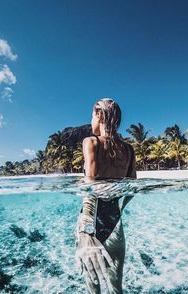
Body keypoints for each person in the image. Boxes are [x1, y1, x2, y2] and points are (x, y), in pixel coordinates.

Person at [75, 98, 137, 294]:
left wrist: (86, 232)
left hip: (91, 222)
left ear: (100, 115)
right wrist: (118, 208)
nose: (91, 120)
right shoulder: (128, 150)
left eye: (92, 115)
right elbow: (132, 189)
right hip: (115, 222)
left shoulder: (91, 142)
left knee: (93, 285)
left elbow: (91, 188)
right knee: (116, 288)